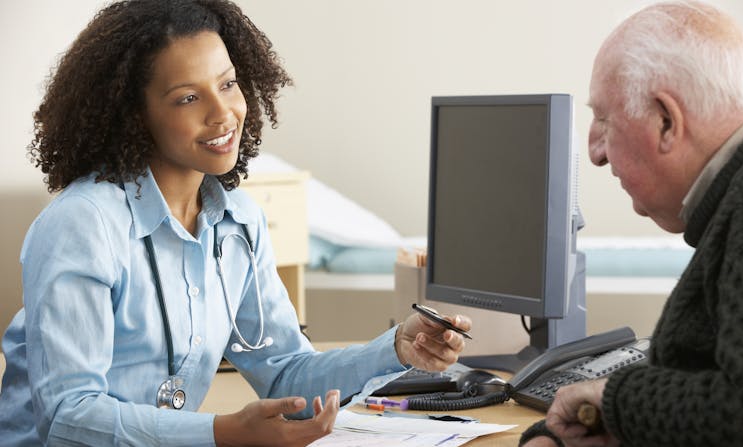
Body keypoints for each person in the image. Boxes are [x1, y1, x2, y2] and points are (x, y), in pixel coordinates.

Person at [0, 1, 472, 445]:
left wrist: (396, 348)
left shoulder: (238, 222)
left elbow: (285, 372)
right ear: (135, 115)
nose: (224, 113)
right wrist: (223, 433)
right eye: (187, 97)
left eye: (227, 84)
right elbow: (68, 417)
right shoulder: (82, 225)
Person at [519, 1, 743, 446]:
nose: (596, 152)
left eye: (603, 119)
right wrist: (572, 428)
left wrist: (613, 400)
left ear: (665, 122)